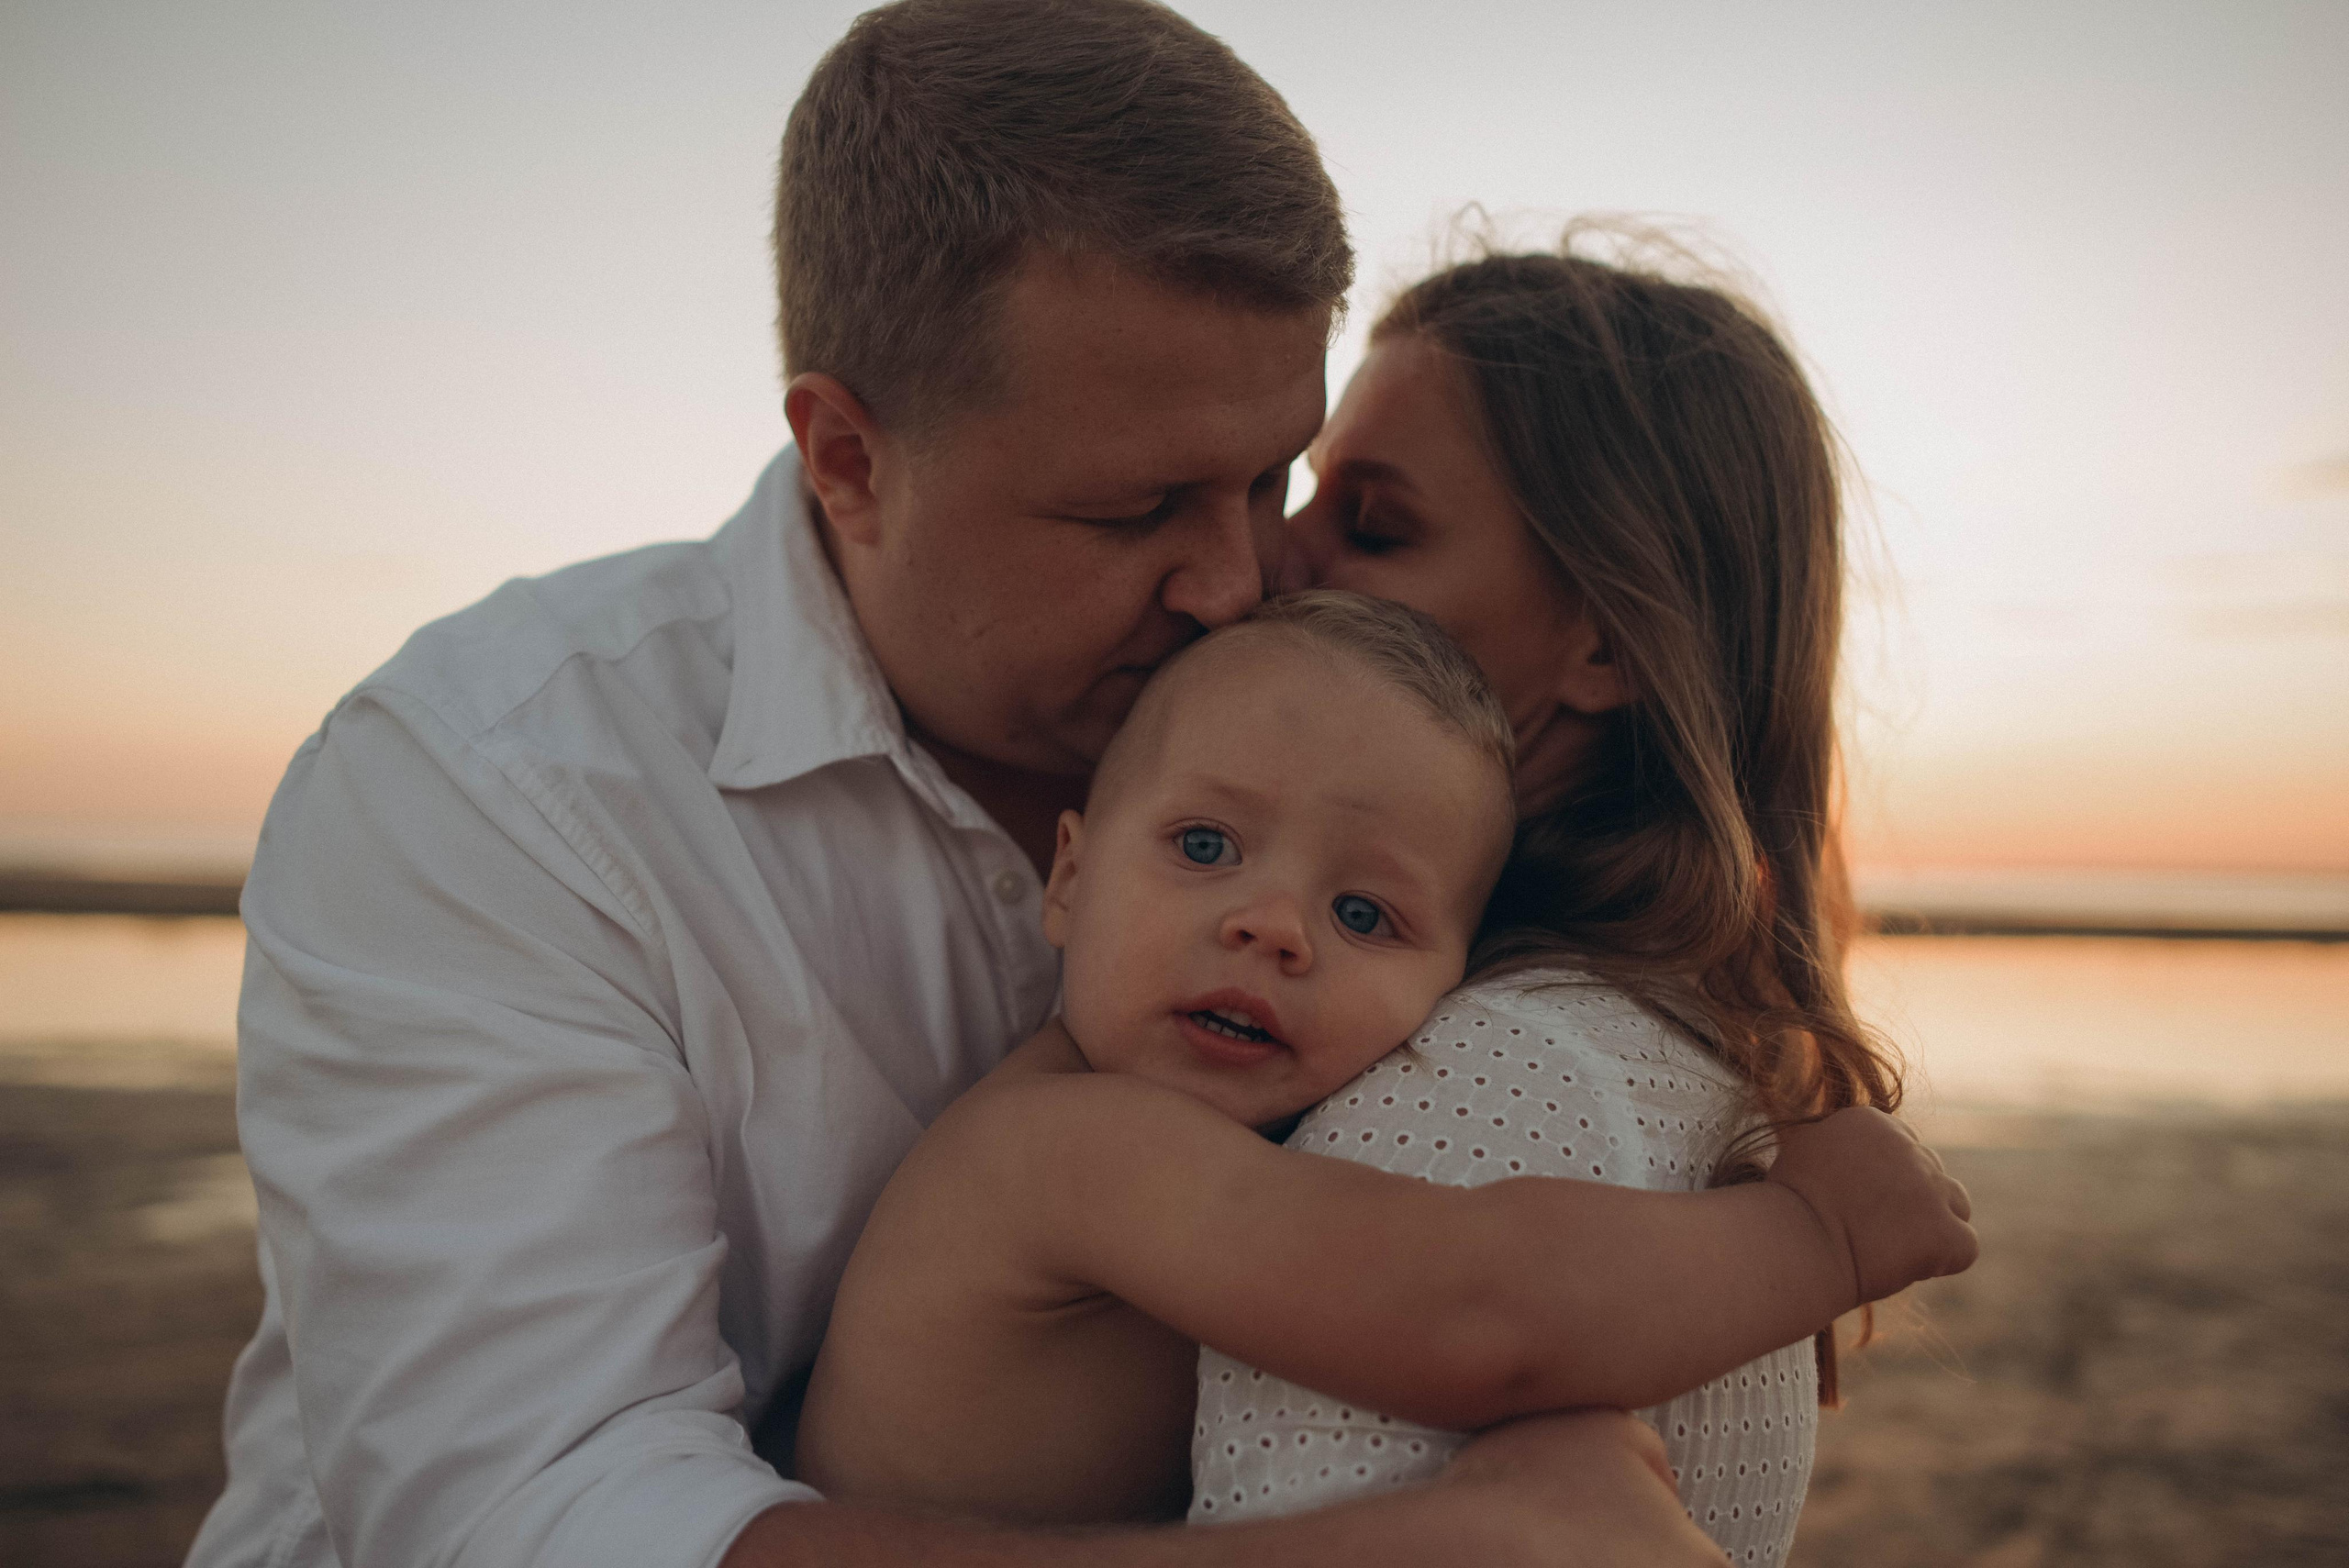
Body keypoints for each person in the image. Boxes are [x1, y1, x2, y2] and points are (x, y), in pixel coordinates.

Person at [188, 5, 1725, 1566]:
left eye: (1273, 478)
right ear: (846, 457)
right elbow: (546, 1515)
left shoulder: (1347, 781)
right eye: (1140, 508)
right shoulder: (490, 789)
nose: (1239, 576)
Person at [791, 592, 1976, 1526]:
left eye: (1365, 916)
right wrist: (1818, 1239)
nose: (1273, 925)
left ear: (1454, 980)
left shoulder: (1204, 1138)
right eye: (1204, 844)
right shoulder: (1066, 1147)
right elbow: (1479, 1310)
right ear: (1069, 874)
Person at [1190, 235, 1912, 1562]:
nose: (1259, 562)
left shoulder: (1478, 1086)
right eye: (1305, 497)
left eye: (1375, 524)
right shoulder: (1671, 1039)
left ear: (1602, 644)